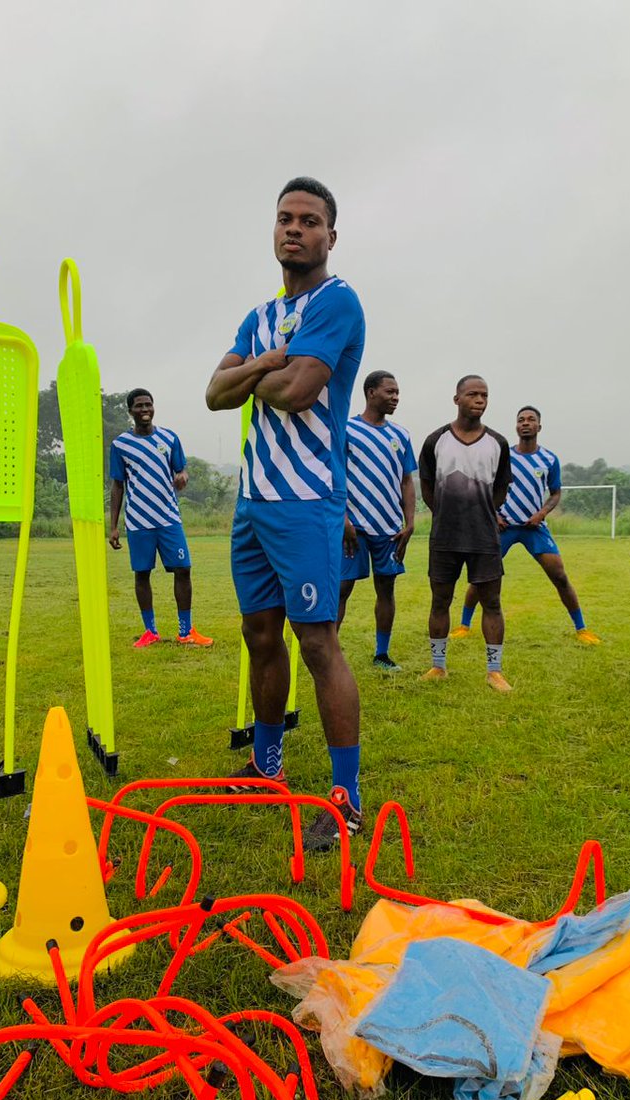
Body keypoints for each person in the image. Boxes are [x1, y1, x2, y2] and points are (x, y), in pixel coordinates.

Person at [205, 176, 365, 850]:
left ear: (331, 234)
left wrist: (258, 372)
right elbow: (215, 393)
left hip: (306, 503)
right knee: (260, 636)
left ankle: (344, 798)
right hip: (254, 503)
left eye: (308, 220)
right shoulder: (257, 317)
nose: (293, 229)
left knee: (318, 643)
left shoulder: (339, 302)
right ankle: (265, 768)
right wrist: (267, 361)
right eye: (284, 219)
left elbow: (299, 391)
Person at [452, 407, 601, 644]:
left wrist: (542, 513)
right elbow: (483, 488)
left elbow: (555, 493)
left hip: (534, 529)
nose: (525, 423)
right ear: (516, 426)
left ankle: (581, 628)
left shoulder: (549, 459)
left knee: (560, 576)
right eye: (521, 420)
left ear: (539, 427)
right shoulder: (503, 457)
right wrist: (494, 515)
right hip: (503, 527)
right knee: (481, 578)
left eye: (531, 420)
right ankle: (463, 625)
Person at [418, 375, 513, 692]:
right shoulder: (436, 440)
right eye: (473, 394)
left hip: (484, 537)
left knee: (493, 603)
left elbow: (501, 486)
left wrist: (483, 511)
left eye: (485, 395)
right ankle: (438, 666)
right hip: (444, 537)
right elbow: (428, 486)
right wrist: (445, 513)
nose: (480, 399)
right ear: (456, 398)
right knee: (440, 601)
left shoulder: (498, 443)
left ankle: (494, 671)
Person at [109, 388, 213, 648]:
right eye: (139, 406)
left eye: (148, 405)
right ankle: (150, 632)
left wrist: (182, 478)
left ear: (154, 407)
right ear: (130, 410)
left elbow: (182, 471)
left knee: (183, 569)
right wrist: (113, 526)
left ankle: (186, 631)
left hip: (168, 518)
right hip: (138, 521)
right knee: (142, 573)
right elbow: (117, 485)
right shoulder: (120, 444)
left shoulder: (169, 438)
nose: (145, 410)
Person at [337, 370, 417, 670]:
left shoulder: (401, 435)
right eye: (390, 392)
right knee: (342, 588)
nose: (396, 397)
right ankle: (329, 653)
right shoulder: (346, 429)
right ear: (371, 392)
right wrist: (341, 517)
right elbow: (333, 475)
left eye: (398, 392)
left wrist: (410, 522)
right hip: (353, 528)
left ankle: (381, 654)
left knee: (386, 589)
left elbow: (407, 481)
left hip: (390, 530)